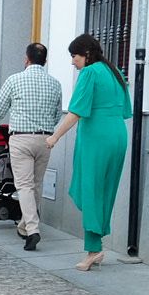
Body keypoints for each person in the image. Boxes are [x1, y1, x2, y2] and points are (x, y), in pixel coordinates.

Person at [46, 34, 132, 270]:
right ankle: (96, 244)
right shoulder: (115, 72)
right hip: (117, 134)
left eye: (74, 56)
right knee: (105, 191)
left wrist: (55, 136)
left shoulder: (90, 73)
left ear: (86, 54)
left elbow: (76, 111)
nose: (72, 62)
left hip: (97, 136)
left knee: (91, 190)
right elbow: (125, 110)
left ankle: (93, 249)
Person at [0, 42, 63, 250]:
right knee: (36, 184)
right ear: (45, 61)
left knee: (24, 185)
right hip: (45, 139)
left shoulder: (14, 80)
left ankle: (32, 229)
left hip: (21, 139)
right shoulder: (55, 83)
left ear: (26, 59)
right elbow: (57, 114)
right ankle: (24, 225)